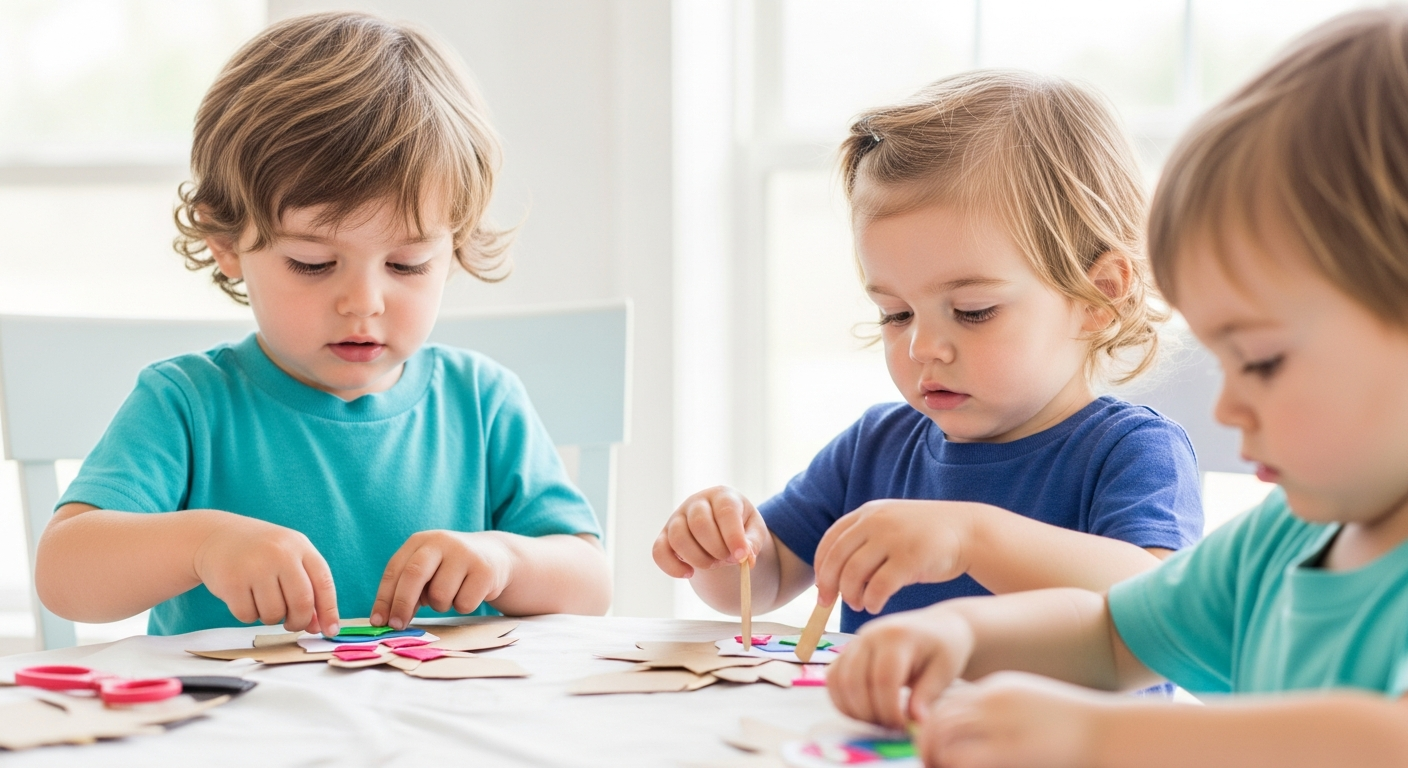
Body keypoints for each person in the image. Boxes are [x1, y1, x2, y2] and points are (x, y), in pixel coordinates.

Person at [826, 9, 1408, 767]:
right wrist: (960, 632)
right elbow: (1109, 635)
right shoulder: (1278, 541)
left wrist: (1095, 735)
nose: (1227, 407)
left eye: (1262, 361)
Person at [33, 12, 611, 638]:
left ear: (455, 248)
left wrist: (505, 561)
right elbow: (64, 574)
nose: (363, 302)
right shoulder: (186, 404)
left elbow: (591, 584)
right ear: (226, 242)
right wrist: (202, 544)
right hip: (240, 706)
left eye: (407, 263)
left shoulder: (482, 402)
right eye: (312, 263)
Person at [653, 71, 1203, 634]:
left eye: (972, 311)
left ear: (1098, 296)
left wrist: (970, 540)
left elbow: (1160, 603)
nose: (921, 347)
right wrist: (721, 547)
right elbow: (764, 582)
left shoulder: (1132, 453)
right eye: (896, 313)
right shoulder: (874, 449)